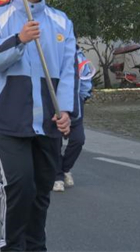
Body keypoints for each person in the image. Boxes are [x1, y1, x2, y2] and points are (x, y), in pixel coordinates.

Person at [0, 0, 75, 251]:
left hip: (48, 121)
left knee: (42, 188)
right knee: (19, 184)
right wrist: (18, 40)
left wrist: (66, 110)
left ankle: (35, 245)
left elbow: (68, 70)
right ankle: (12, 245)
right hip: (8, 119)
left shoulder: (61, 21)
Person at [53, 48, 93, 192]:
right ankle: (57, 177)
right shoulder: (53, 54)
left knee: (78, 140)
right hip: (54, 107)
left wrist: (84, 95)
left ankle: (64, 169)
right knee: (55, 143)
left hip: (75, 106)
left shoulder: (80, 57)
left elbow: (86, 80)